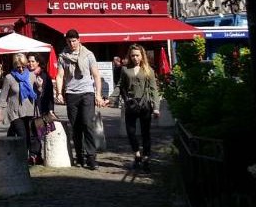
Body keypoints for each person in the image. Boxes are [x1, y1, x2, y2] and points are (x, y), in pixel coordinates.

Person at [54, 29, 104, 170]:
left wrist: (98, 94)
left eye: (74, 41)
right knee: (76, 126)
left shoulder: (88, 55)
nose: (72, 44)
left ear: (79, 40)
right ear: (66, 42)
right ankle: (80, 155)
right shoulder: (63, 56)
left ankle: (91, 157)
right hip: (71, 93)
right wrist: (59, 92)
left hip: (87, 93)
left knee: (87, 124)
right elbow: (59, 76)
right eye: (69, 41)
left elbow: (96, 75)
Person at [107, 43, 160, 172]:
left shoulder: (148, 70)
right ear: (129, 57)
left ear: (142, 56)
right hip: (131, 104)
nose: (135, 58)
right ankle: (137, 154)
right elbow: (120, 86)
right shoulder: (125, 69)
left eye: (137, 55)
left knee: (145, 133)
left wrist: (156, 107)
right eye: (132, 56)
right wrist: (110, 99)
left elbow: (154, 90)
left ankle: (146, 159)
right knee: (130, 132)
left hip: (145, 104)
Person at [0, 54, 41, 163]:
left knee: (28, 136)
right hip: (15, 112)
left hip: (29, 110)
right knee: (22, 136)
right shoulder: (9, 78)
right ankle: (22, 160)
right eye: (18, 67)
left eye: (23, 67)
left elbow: (38, 93)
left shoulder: (31, 76)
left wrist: (39, 86)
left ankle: (16, 156)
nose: (20, 69)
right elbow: (3, 97)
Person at [27, 53, 56, 164]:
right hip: (28, 108)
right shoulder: (25, 74)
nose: (30, 63)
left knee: (38, 132)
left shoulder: (44, 75)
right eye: (29, 61)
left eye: (33, 61)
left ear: (38, 62)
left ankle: (35, 155)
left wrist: (51, 109)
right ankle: (34, 155)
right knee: (30, 132)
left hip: (40, 108)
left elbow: (49, 94)